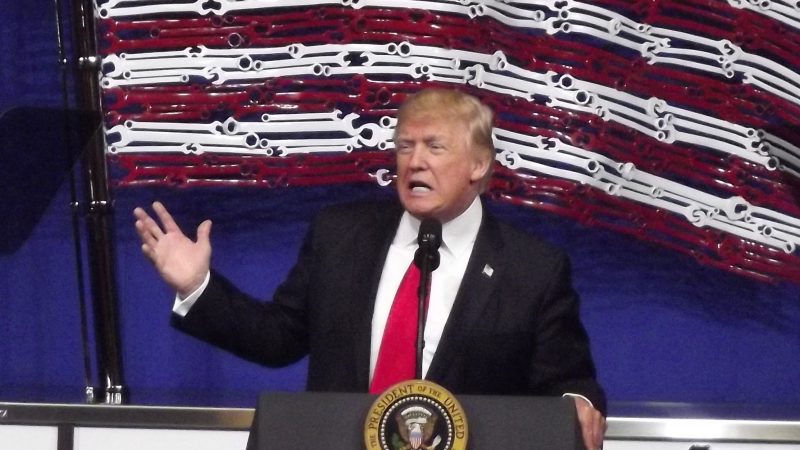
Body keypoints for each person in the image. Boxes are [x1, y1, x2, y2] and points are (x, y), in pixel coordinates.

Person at [134, 88, 607, 449]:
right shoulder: (340, 235)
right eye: (404, 146)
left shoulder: (532, 268)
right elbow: (277, 338)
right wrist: (199, 285)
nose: (414, 161)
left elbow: (567, 379)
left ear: (479, 164)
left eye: (434, 147)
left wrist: (577, 404)